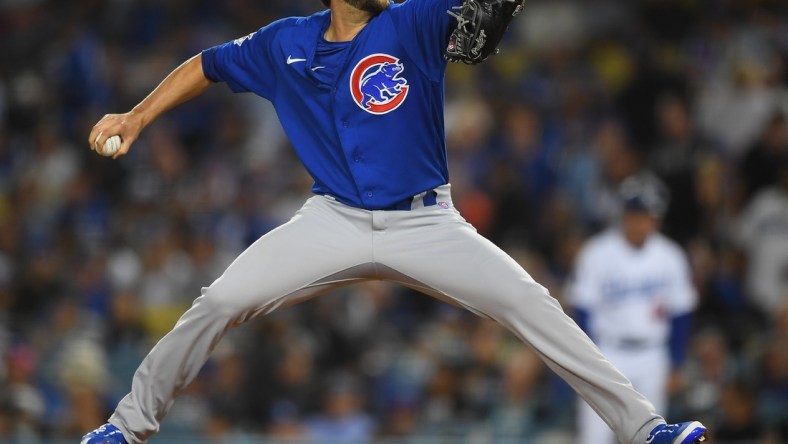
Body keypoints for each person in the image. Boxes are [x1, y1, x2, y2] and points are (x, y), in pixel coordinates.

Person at [82, 1, 708, 443]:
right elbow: (208, 63)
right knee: (219, 300)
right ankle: (124, 427)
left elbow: (474, 25)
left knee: (530, 302)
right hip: (332, 218)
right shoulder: (284, 44)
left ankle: (645, 428)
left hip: (426, 223)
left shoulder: (413, 19)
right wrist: (137, 118)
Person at [567, 172, 699, 444]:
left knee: (653, 436)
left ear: (657, 218)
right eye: (634, 214)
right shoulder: (597, 252)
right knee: (594, 437)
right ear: (624, 215)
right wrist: (587, 361)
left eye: (646, 215)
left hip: (653, 355)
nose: (640, 222)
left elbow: (682, 313)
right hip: (608, 352)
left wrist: (676, 362)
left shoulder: (671, 256)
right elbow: (582, 311)